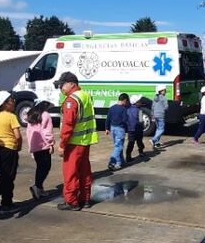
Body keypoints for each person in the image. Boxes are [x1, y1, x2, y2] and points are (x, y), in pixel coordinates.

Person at [55, 71, 97, 210]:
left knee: (70, 172)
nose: (60, 88)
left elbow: (68, 125)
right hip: (85, 141)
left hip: (73, 142)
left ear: (71, 84)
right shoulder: (85, 96)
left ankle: (71, 201)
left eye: (62, 85)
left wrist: (62, 144)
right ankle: (85, 199)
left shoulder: (71, 100)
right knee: (84, 171)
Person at [24, 98, 53, 199]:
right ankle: (37, 187)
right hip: (43, 146)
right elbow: (47, 132)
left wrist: (30, 147)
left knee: (40, 167)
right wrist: (51, 144)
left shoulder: (30, 115)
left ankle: (39, 188)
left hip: (34, 146)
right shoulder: (45, 115)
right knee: (46, 167)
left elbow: (28, 133)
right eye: (47, 104)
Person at [106, 93, 128, 170]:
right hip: (120, 129)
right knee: (118, 146)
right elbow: (125, 120)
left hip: (112, 128)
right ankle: (112, 162)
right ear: (124, 100)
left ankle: (121, 161)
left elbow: (108, 118)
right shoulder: (123, 109)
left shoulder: (112, 108)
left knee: (117, 145)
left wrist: (107, 128)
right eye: (126, 101)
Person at [125, 94, 146, 162]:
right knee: (139, 141)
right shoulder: (139, 111)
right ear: (135, 103)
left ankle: (128, 156)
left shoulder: (127, 109)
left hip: (130, 129)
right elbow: (141, 121)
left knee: (131, 143)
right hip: (138, 129)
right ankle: (141, 152)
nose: (140, 103)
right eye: (139, 101)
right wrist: (142, 126)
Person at [151, 84, 169, 149]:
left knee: (158, 129)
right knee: (161, 129)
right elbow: (166, 107)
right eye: (164, 90)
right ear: (161, 91)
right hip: (161, 115)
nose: (165, 91)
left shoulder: (155, 97)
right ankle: (153, 139)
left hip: (155, 115)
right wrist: (165, 108)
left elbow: (152, 107)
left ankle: (156, 143)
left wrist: (152, 115)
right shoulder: (164, 98)